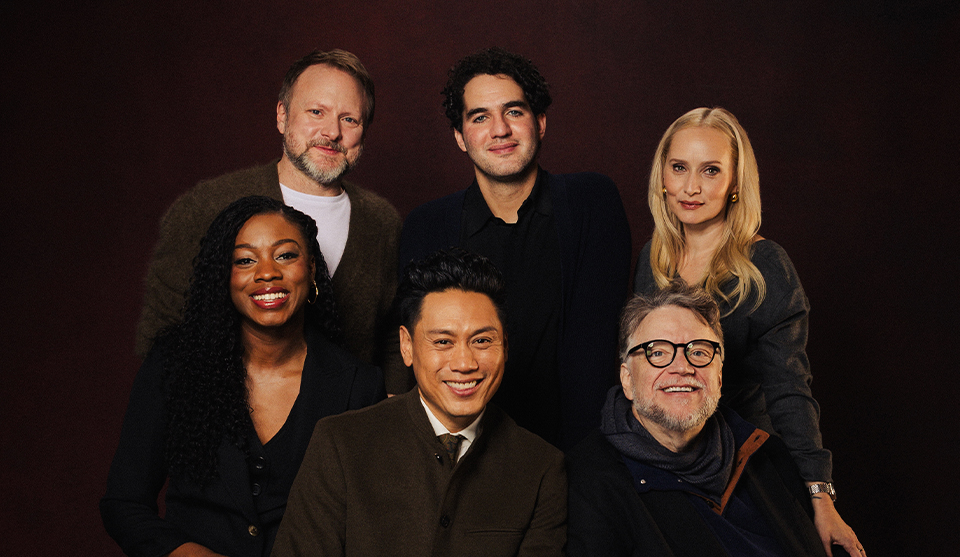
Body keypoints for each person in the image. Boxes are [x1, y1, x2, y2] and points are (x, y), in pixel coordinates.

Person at [101, 196, 386, 557]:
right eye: (245, 260)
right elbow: (123, 504)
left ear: (312, 269)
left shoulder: (358, 386)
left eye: (285, 255)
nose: (267, 272)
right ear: (225, 276)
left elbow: (371, 524)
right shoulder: (174, 365)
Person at [632, 107, 860, 553]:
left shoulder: (766, 266)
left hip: (741, 462)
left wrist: (820, 495)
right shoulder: (652, 259)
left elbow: (790, 390)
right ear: (662, 174)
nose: (691, 187)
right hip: (662, 455)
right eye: (679, 167)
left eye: (711, 171)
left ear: (735, 183)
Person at [399, 47, 631, 449]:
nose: (500, 130)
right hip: (459, 456)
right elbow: (422, 360)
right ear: (460, 136)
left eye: (514, 112)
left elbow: (594, 351)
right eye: (480, 117)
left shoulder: (591, 203)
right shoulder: (426, 226)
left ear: (540, 122)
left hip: (575, 452)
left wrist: (580, 470)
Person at [271, 249, 566, 557]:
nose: (464, 363)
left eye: (481, 341)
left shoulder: (541, 467)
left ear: (505, 347)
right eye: (443, 342)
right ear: (407, 347)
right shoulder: (342, 444)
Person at [136, 49, 402, 384]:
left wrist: (389, 401)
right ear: (282, 115)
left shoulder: (381, 222)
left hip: (346, 427)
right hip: (226, 422)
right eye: (317, 111)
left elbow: (394, 333)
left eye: (350, 119)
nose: (332, 132)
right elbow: (163, 330)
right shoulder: (208, 205)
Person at [567, 282, 862, 557]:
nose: (682, 367)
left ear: (719, 378)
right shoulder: (590, 480)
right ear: (627, 379)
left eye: (698, 351)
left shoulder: (767, 455)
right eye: (657, 352)